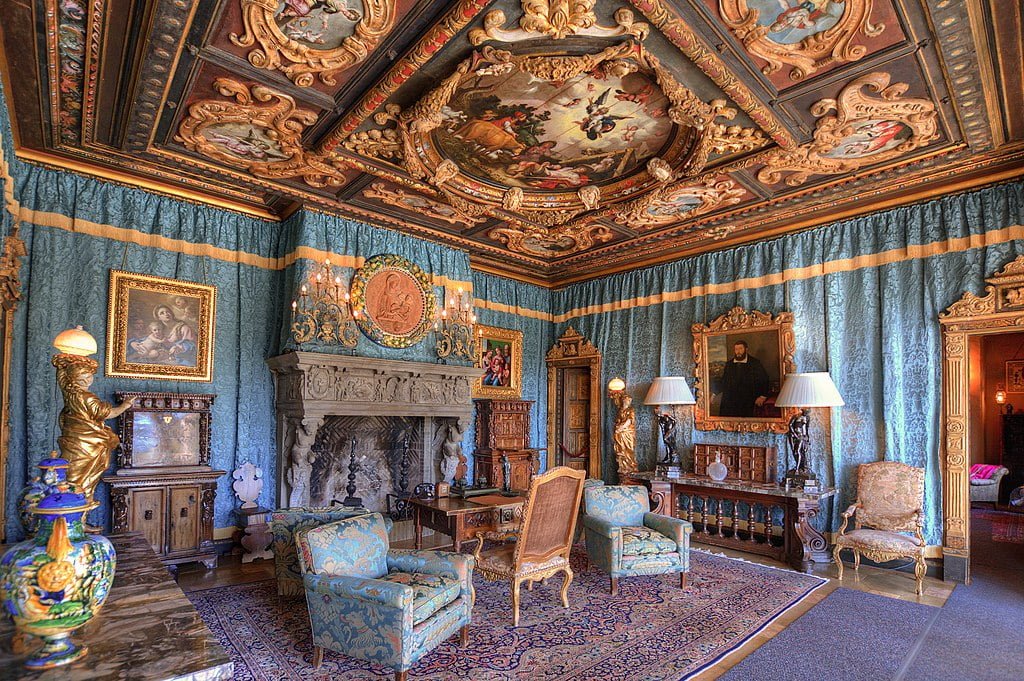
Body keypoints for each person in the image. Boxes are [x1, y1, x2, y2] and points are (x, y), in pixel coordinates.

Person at [53, 354, 133, 524]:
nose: (91, 379)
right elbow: (109, 413)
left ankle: (70, 521)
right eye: (88, 376)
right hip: (89, 446)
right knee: (85, 482)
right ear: (81, 379)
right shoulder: (87, 397)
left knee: (70, 480)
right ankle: (77, 523)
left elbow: (61, 379)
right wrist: (125, 405)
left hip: (73, 442)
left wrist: (62, 366)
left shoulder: (69, 394)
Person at [717, 340, 770, 417]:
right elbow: (724, 381)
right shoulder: (729, 364)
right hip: (731, 400)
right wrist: (714, 393)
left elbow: (764, 379)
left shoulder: (755, 363)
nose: (738, 351)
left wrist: (762, 396)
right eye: (736, 349)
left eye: (740, 349)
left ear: (746, 349)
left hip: (748, 400)